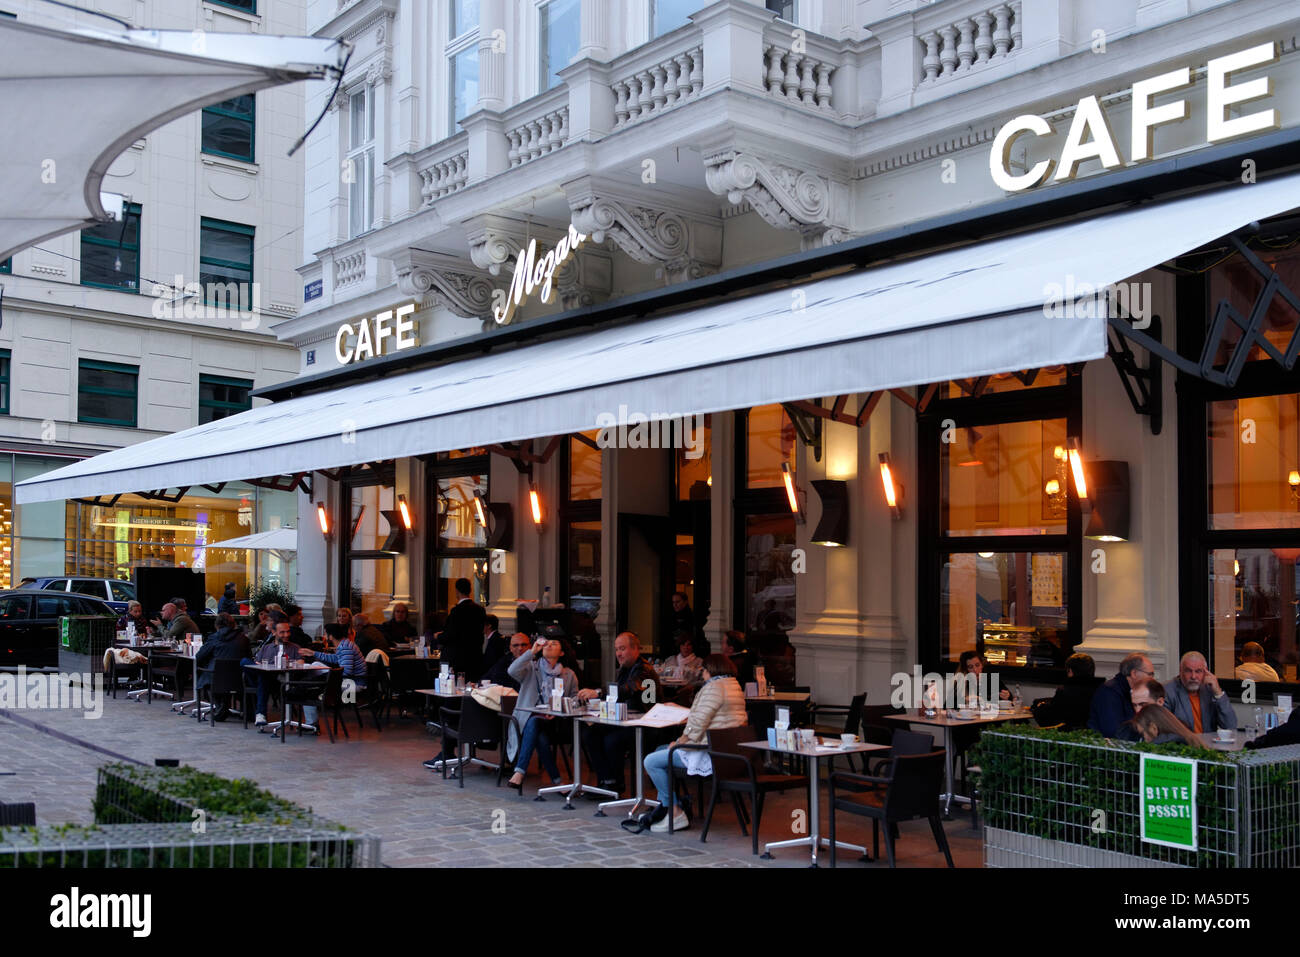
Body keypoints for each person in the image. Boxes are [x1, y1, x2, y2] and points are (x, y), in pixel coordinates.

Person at [642, 654, 748, 832]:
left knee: (650, 761)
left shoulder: (714, 688)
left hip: (707, 752)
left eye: (703, 670)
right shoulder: (732, 686)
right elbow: (710, 715)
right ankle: (670, 805)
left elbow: (698, 724)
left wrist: (678, 742)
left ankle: (674, 810)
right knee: (660, 750)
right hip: (726, 752)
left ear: (710, 670)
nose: (702, 674)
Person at [578, 632, 662, 793]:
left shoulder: (644, 670)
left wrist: (598, 693)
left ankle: (615, 784)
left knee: (612, 740)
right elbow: (616, 696)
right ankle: (606, 780)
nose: (618, 654)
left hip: (645, 725)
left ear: (636, 649)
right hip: (625, 721)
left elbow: (628, 690)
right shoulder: (625, 669)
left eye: (622, 649)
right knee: (590, 733)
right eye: (617, 649)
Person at [506, 637, 578, 790]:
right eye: (547, 643)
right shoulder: (531, 667)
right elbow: (511, 671)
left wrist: (559, 710)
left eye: (555, 643)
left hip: (556, 722)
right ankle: (557, 782)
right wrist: (531, 652)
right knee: (537, 728)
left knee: (538, 731)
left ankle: (520, 771)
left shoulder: (569, 674)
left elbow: (574, 700)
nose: (549, 645)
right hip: (527, 720)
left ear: (562, 652)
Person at [241, 615, 303, 727]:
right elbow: (257, 663)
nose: (286, 635)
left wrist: (286, 664)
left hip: (281, 682)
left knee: (263, 677)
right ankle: (260, 713)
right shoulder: (266, 648)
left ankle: (261, 714)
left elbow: (301, 663)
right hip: (262, 679)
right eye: (282, 632)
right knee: (245, 662)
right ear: (274, 632)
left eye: (288, 632)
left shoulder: (294, 647)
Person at [1165, 651, 1236, 734]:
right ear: (1180, 671)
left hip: (1208, 745)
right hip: (1182, 745)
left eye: (1198, 671)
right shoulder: (1168, 691)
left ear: (1205, 672)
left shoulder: (1210, 690)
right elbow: (1165, 731)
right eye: (1188, 671)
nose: (1193, 676)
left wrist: (1218, 693)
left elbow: (1230, 726)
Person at [196, 612, 249, 721]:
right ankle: (229, 706)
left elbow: (199, 656)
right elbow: (249, 657)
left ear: (217, 625)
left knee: (204, 674)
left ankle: (220, 705)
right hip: (239, 677)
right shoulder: (243, 638)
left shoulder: (213, 638)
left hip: (216, 677)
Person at [1087, 652, 1155, 738]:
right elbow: (1113, 732)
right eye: (1150, 674)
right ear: (1134, 673)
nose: (1152, 679)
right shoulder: (1109, 692)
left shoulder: (1130, 690)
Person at [1031, 652, 1096, 731]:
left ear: (1070, 671)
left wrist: (1038, 707)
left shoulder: (1066, 690)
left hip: (1067, 734)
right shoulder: (1099, 689)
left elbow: (1052, 714)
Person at [443, 578, 487, 681]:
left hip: (458, 659)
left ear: (457, 591)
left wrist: (439, 636)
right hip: (475, 656)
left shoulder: (456, 611)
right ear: (470, 590)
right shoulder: (480, 610)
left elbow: (450, 635)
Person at [304, 623, 366, 689]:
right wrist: (314, 653)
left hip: (353, 683)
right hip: (348, 680)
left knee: (314, 678)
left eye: (325, 634)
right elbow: (335, 658)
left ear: (330, 636)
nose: (324, 636)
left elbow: (347, 672)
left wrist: (329, 674)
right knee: (315, 665)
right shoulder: (344, 644)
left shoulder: (346, 647)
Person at [1127, 703, 1201, 746]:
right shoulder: (1186, 737)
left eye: (1143, 734)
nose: (1144, 740)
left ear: (1153, 728)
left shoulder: (1162, 747)